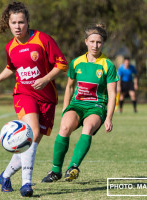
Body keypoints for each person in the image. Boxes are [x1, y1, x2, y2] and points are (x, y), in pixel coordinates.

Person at [0, 2, 67, 197]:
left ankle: (5, 175)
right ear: (8, 23)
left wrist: (45, 79)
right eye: (13, 22)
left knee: (31, 142)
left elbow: (62, 64)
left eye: (21, 22)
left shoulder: (42, 39)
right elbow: (11, 68)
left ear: (28, 22)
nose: (17, 26)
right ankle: (27, 184)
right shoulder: (10, 46)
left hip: (47, 98)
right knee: (31, 132)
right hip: (23, 94)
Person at [41, 23, 119, 183]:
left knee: (88, 128)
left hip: (96, 107)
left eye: (99, 42)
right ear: (86, 42)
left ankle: (73, 167)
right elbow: (69, 87)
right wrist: (65, 109)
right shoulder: (76, 63)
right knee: (64, 128)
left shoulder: (108, 65)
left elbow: (112, 94)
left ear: (102, 43)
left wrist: (109, 118)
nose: (95, 45)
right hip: (77, 105)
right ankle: (55, 171)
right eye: (92, 42)